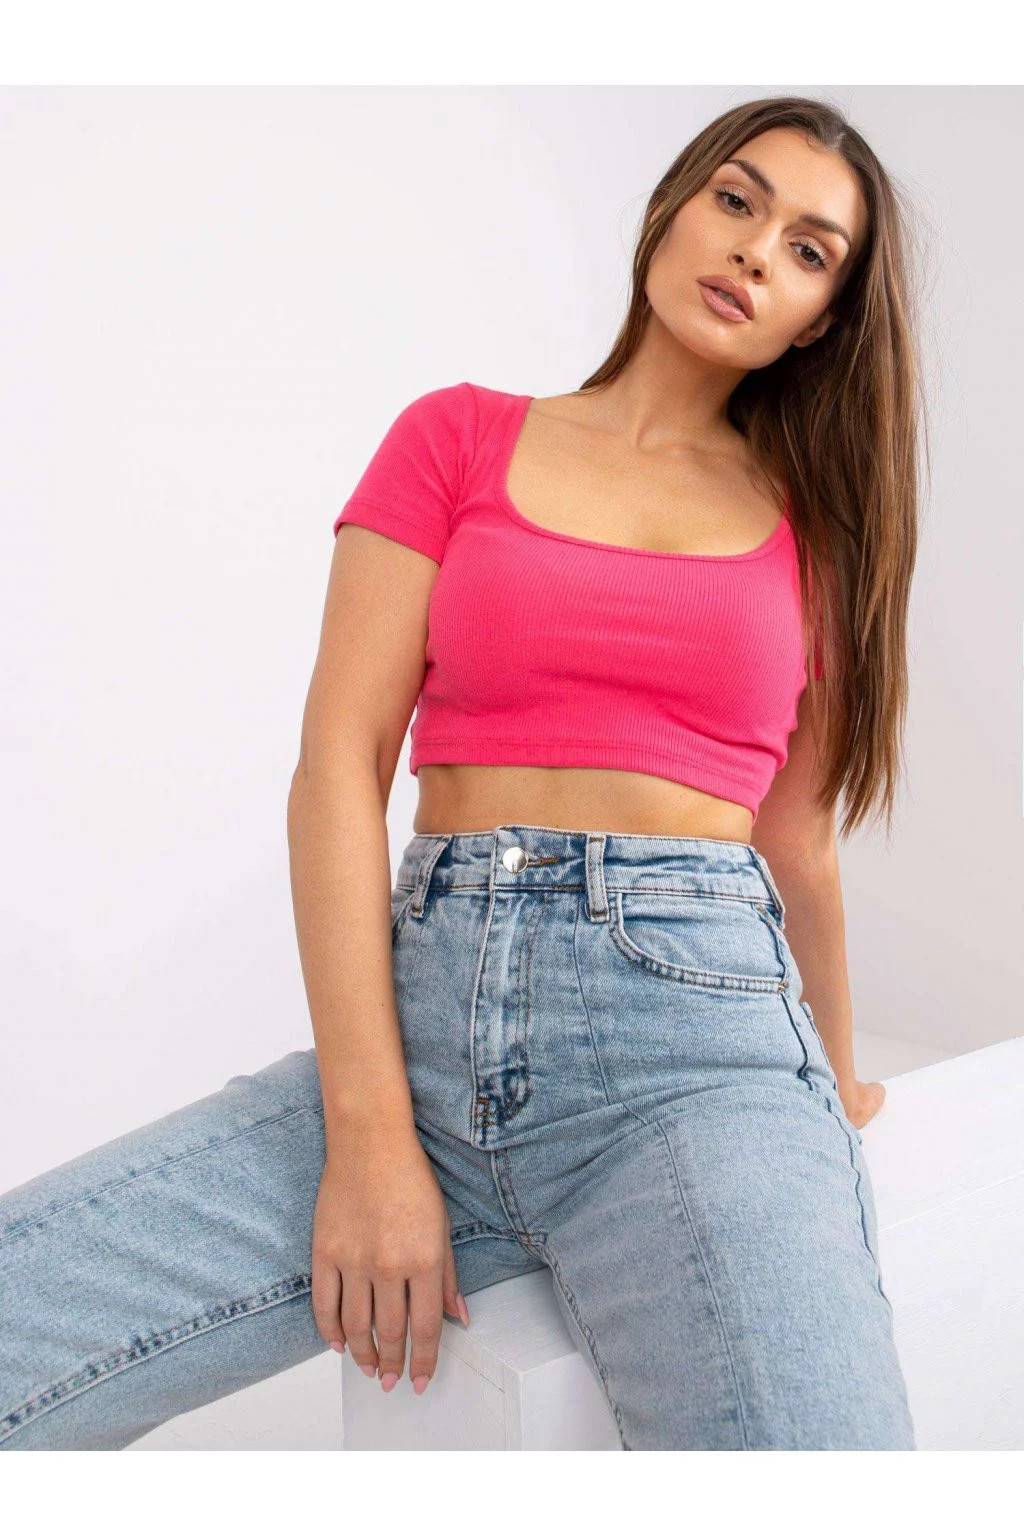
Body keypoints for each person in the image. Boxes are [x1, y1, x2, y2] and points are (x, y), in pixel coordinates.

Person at [0, 95, 921, 1451]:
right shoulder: (458, 436)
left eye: (808, 250)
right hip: (425, 1031)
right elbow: (338, 765)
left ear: (821, 322)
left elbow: (799, 846)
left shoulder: (816, 536)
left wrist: (831, 1089)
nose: (753, 251)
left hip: (699, 1059)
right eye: (736, 200)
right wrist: (372, 1135)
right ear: (672, 210)